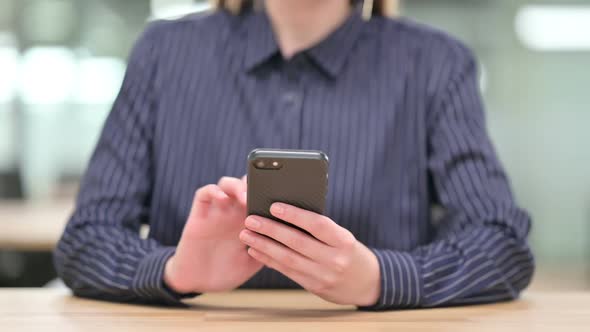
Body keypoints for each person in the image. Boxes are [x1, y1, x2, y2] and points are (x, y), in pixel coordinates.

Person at [54, 0, 534, 310]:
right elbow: (84, 241)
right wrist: (172, 270)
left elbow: (502, 245)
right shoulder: (163, 54)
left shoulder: (436, 64)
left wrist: (380, 279)